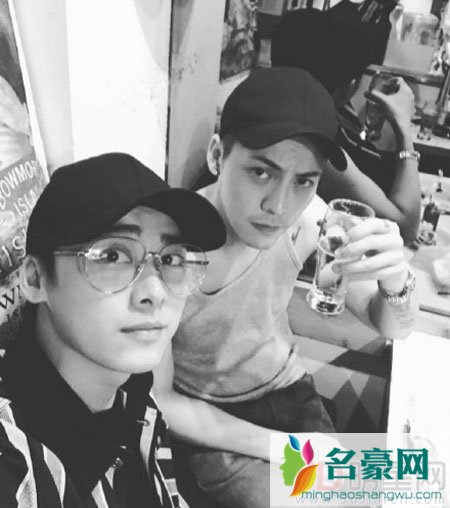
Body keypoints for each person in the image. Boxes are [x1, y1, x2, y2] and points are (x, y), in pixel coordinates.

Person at [154, 68, 418, 508]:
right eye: (261, 172)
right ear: (218, 156)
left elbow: (389, 324)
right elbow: (162, 401)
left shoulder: (309, 220)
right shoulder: (171, 249)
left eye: (303, 181)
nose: (278, 206)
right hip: (213, 420)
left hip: (293, 393)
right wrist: (285, 449)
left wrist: (395, 278)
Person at [0, 152, 226, 507]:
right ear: (35, 278)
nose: (155, 292)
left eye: (170, 259)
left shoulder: (134, 397)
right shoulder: (15, 462)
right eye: (111, 256)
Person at [270, 8, 421, 245]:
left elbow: (362, 151)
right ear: (350, 86)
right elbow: (405, 227)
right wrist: (404, 127)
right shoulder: (312, 142)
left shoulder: (302, 107)